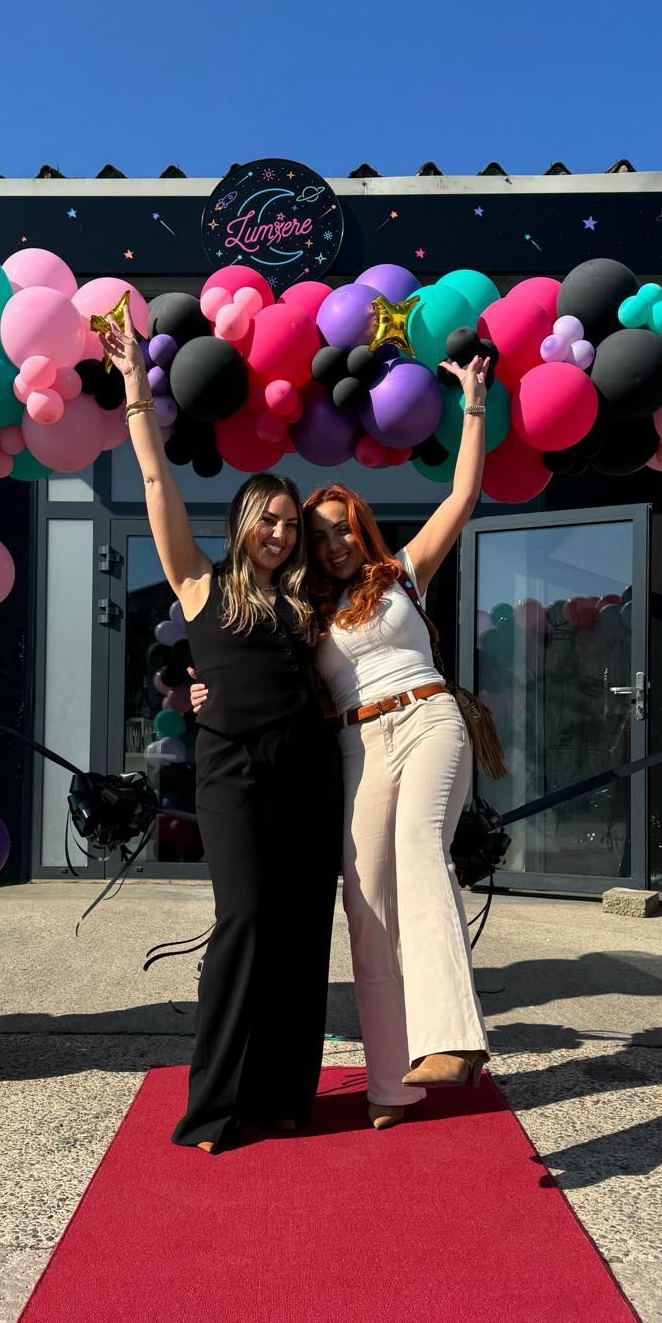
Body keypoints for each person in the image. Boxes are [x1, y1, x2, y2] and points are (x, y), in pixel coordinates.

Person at [195, 356, 494, 1131]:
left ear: (362, 531)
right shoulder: (305, 614)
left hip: (427, 719)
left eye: (340, 531)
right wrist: (202, 692)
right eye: (315, 535)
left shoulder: (404, 577)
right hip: (359, 745)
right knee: (363, 904)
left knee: (421, 850)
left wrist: (472, 408)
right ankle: (394, 1084)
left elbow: (461, 497)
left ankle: (453, 1037)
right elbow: (260, 677)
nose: (330, 545)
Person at [102, 319, 341, 1154]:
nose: (280, 532)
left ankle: (283, 1096)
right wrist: (137, 392)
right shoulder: (200, 583)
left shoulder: (309, 600)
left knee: (306, 926)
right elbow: (157, 484)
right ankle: (215, 1107)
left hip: (309, 774)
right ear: (243, 522)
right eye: (267, 520)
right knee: (243, 920)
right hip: (232, 772)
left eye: (289, 523)